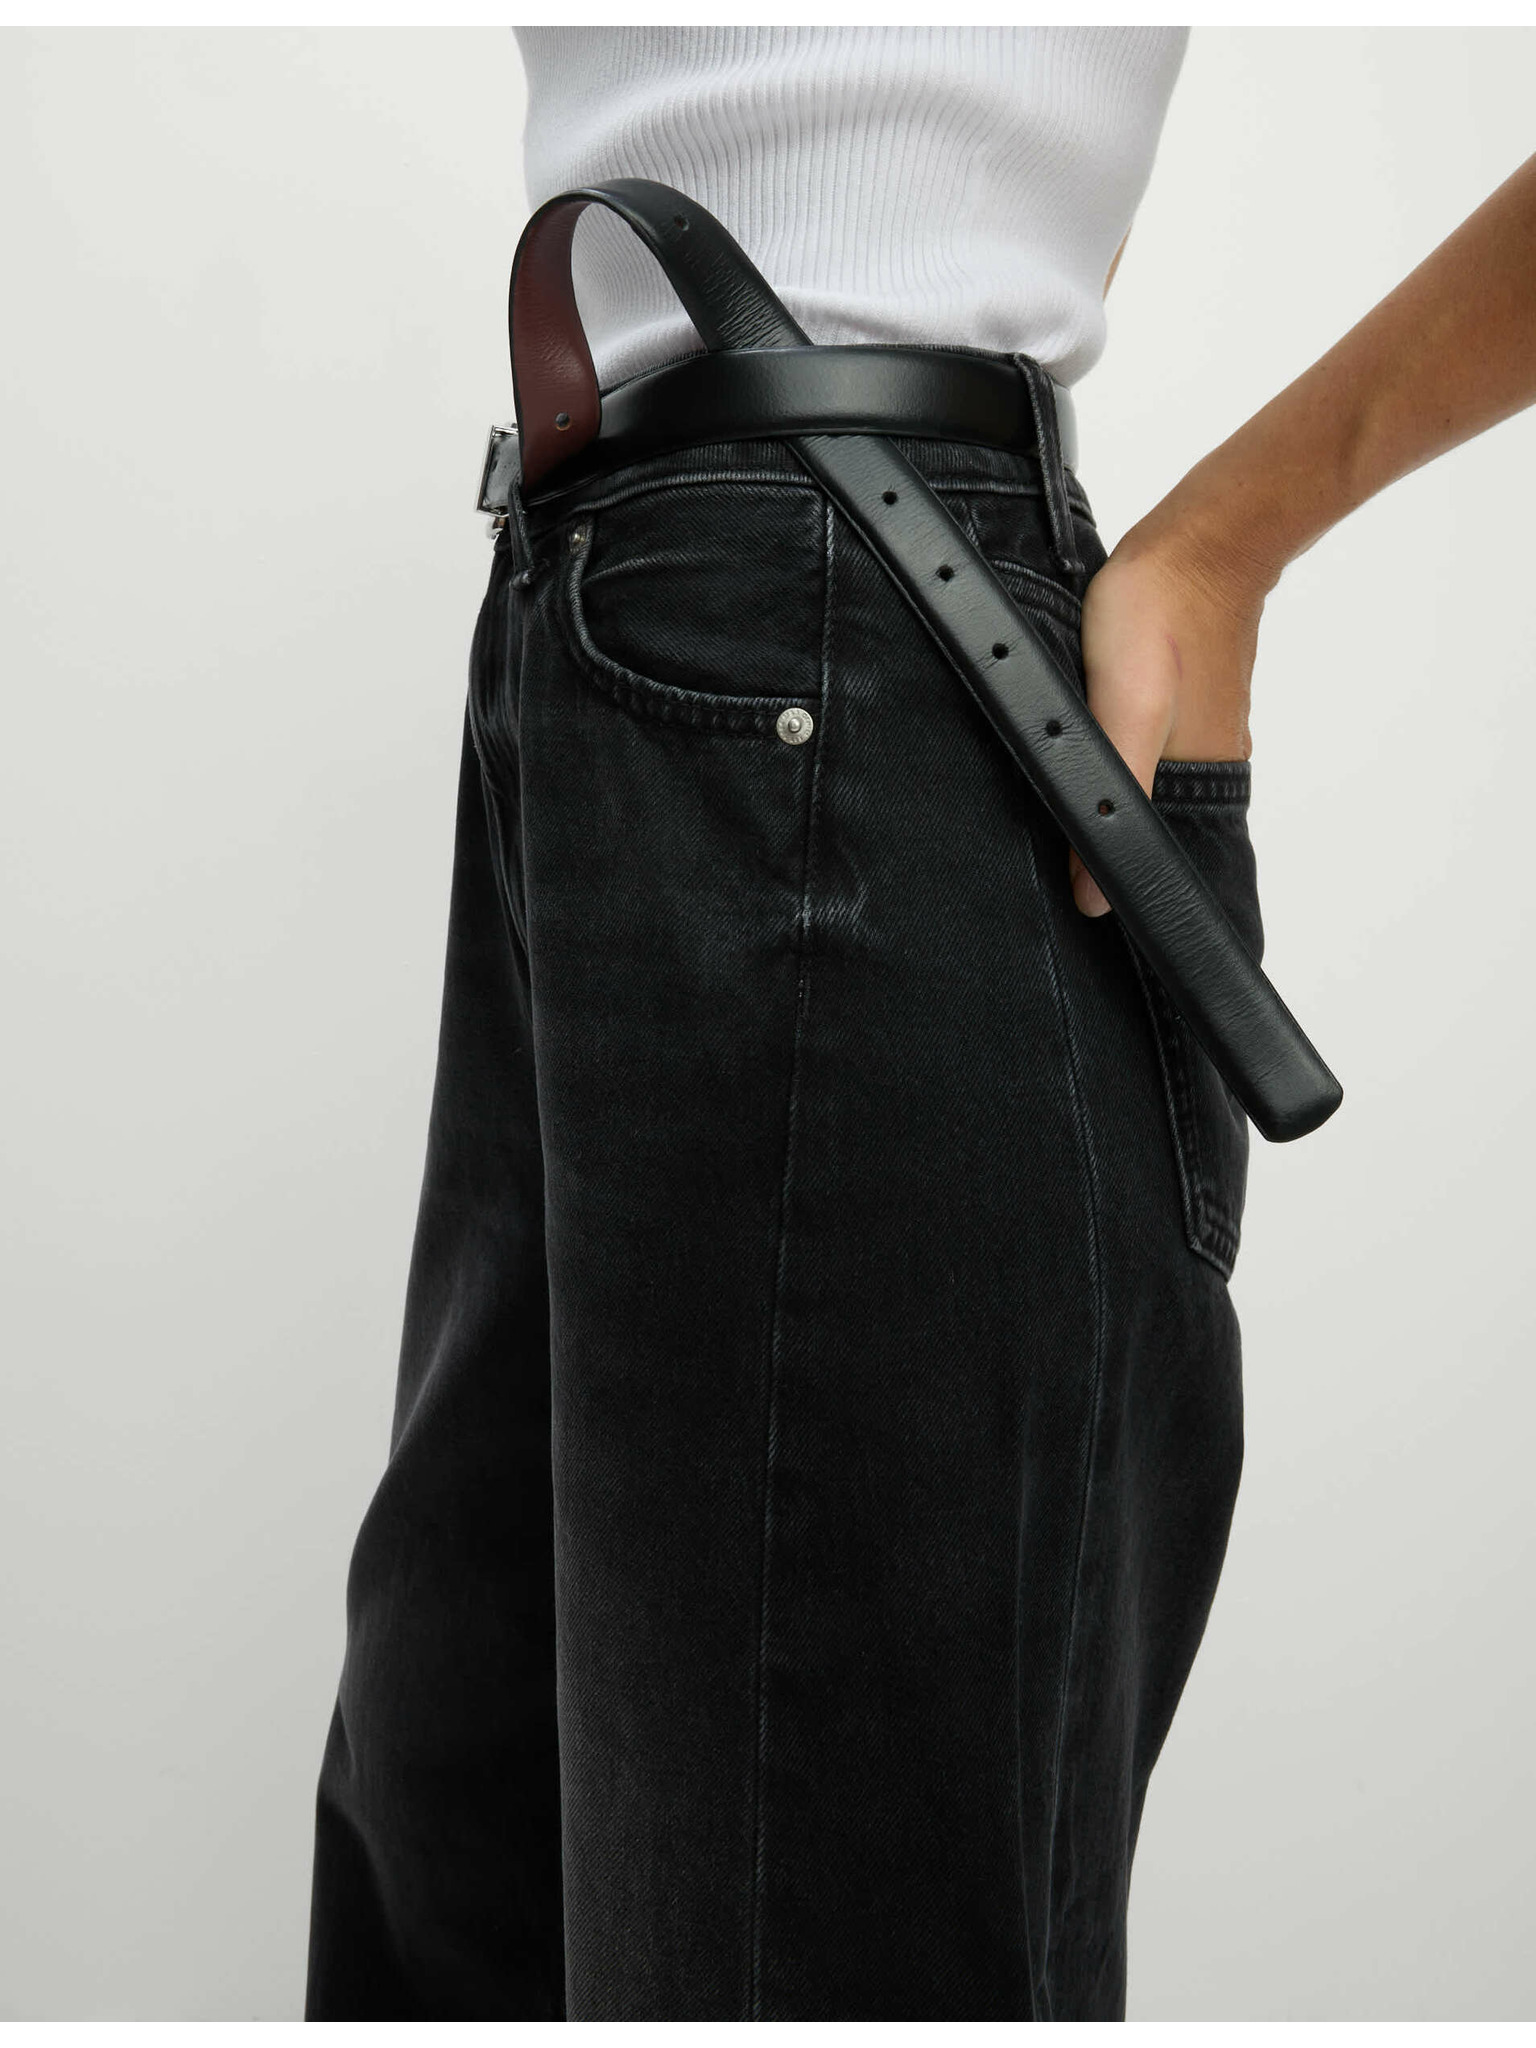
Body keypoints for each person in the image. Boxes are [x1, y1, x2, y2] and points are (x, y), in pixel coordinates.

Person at [304, 27, 1536, 2021]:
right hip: (595, 645)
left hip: (865, 635)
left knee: (810, 1941)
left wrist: (1232, 537)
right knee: (458, 1872)